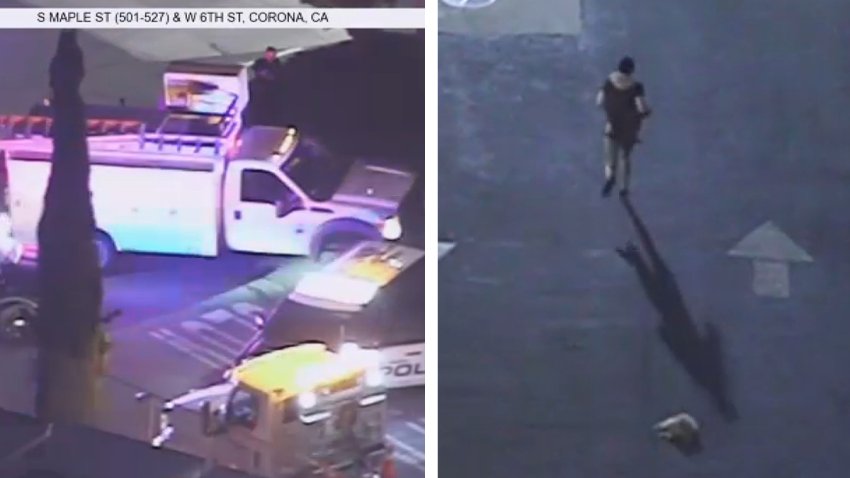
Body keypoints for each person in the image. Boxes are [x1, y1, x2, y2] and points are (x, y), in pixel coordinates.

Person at [596, 56, 652, 197]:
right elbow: (641, 108)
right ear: (631, 70)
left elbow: (599, 101)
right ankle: (624, 188)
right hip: (629, 129)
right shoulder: (636, 87)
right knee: (625, 157)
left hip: (612, 124)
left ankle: (610, 176)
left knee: (610, 156)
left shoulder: (609, 82)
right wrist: (647, 112)